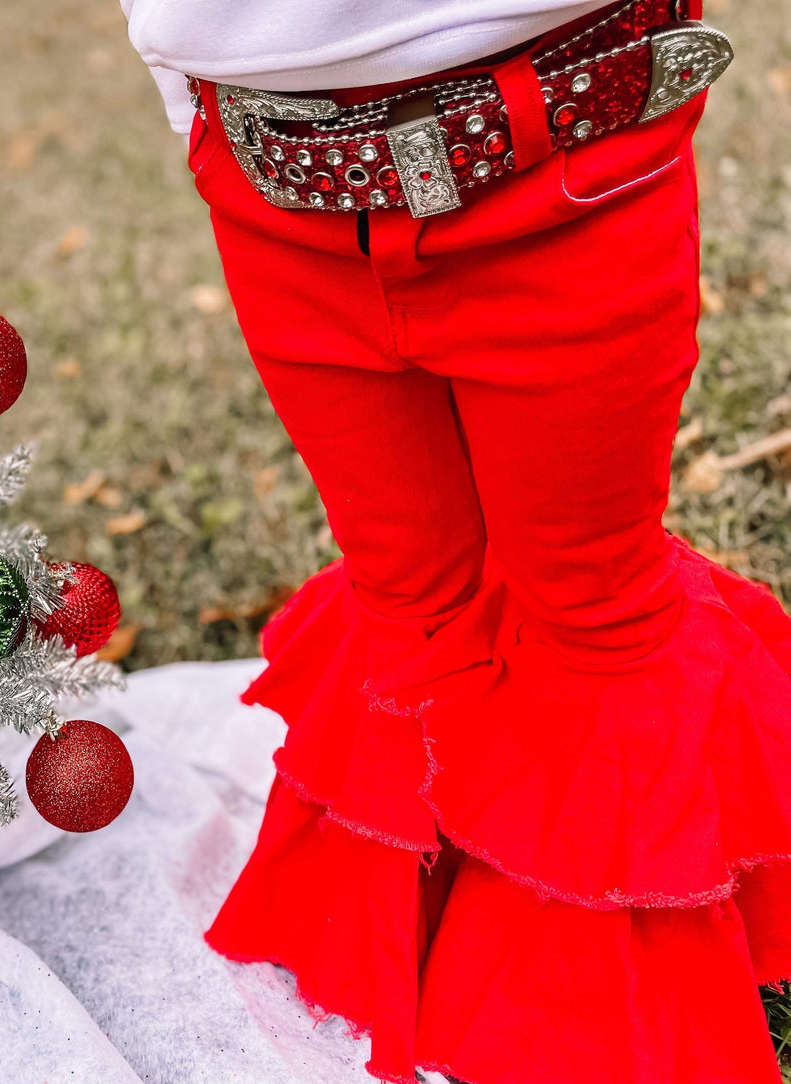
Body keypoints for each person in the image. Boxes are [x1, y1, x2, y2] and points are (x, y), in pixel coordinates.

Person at [119, 2, 791, 1082]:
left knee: (590, 610)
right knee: (408, 601)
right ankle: (434, 948)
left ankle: (581, 1010)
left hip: (562, 149)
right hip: (268, 183)